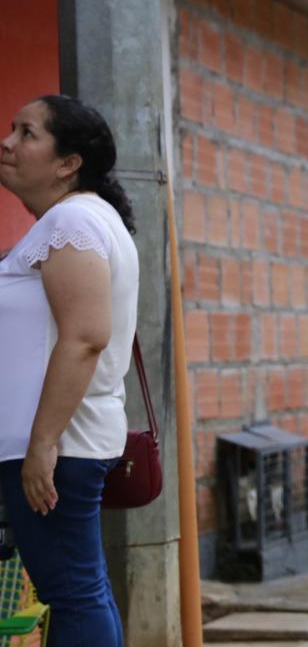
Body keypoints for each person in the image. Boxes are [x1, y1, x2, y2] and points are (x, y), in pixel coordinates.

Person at [0, 95, 138, 646]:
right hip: (61, 443)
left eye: (27, 133)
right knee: (83, 590)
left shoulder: (73, 220)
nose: (8, 142)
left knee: (73, 594)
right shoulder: (75, 219)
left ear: (67, 163)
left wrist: (43, 443)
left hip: (60, 445)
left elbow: (84, 338)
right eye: (11, 129)